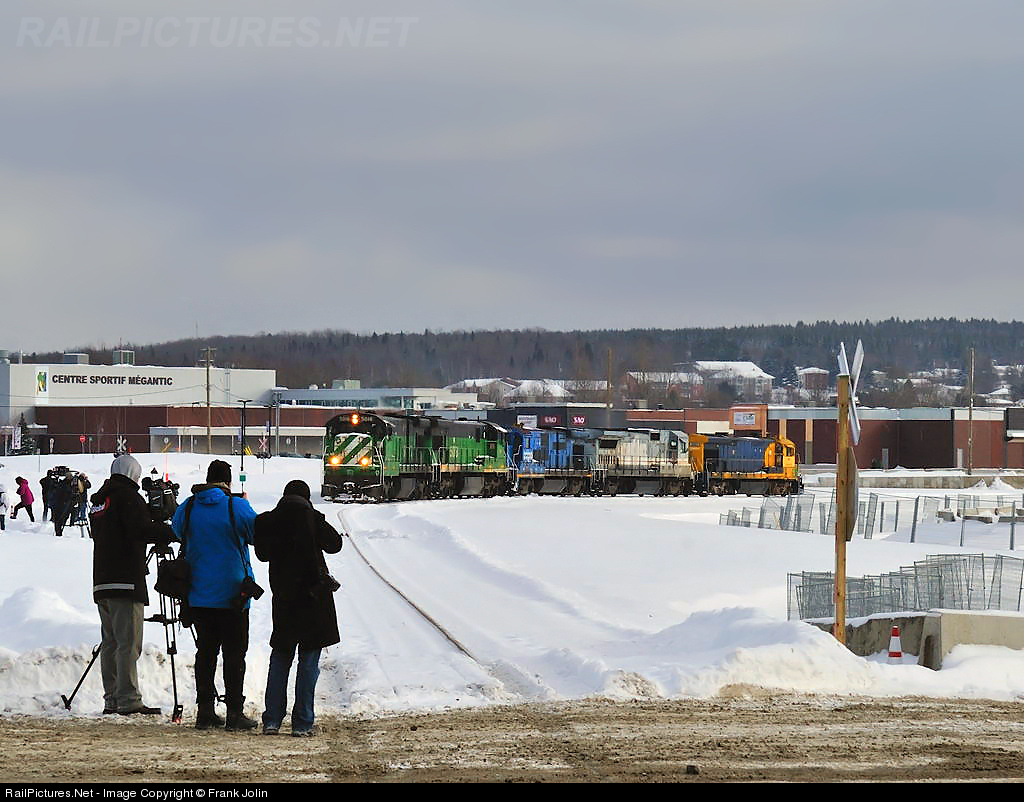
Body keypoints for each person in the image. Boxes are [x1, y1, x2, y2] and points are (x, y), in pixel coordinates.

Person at [170, 459, 259, 731]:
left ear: (207, 479)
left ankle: (205, 711)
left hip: (198, 594)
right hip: (234, 595)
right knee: (234, 655)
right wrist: (244, 505)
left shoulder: (188, 506)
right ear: (228, 482)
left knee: (206, 654)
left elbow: (177, 531)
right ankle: (234, 713)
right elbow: (255, 535)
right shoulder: (236, 506)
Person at [254, 480, 343, 737]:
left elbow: (262, 554)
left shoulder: (268, 521)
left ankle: (272, 720)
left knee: (280, 658)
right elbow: (335, 544)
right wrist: (315, 518)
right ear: (306, 499)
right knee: (308, 662)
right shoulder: (312, 518)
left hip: (284, 600)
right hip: (313, 600)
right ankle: (302, 723)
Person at [89, 454, 174, 715]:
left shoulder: (101, 500)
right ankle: (128, 699)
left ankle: (112, 698)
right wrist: (170, 531)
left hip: (102, 580)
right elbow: (140, 530)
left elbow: (118, 530)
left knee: (111, 642)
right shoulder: (128, 497)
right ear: (133, 474)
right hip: (125, 579)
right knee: (128, 643)